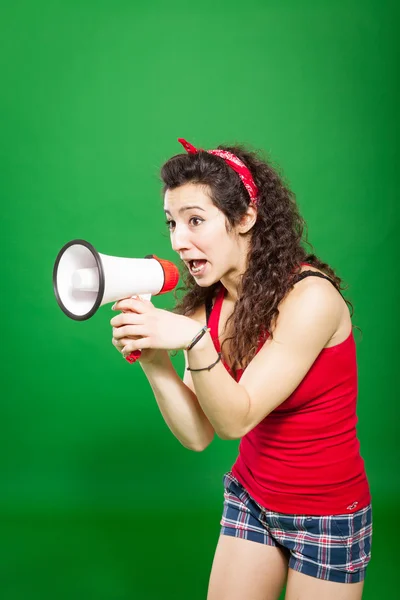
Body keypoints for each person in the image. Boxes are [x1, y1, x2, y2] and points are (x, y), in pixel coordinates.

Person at [110, 138, 372, 600]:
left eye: (195, 220)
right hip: (252, 499)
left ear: (246, 217)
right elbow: (198, 435)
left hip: (327, 512)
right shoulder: (207, 307)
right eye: (172, 223)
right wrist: (152, 360)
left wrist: (193, 341)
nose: (178, 240)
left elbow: (237, 418)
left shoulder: (310, 298)